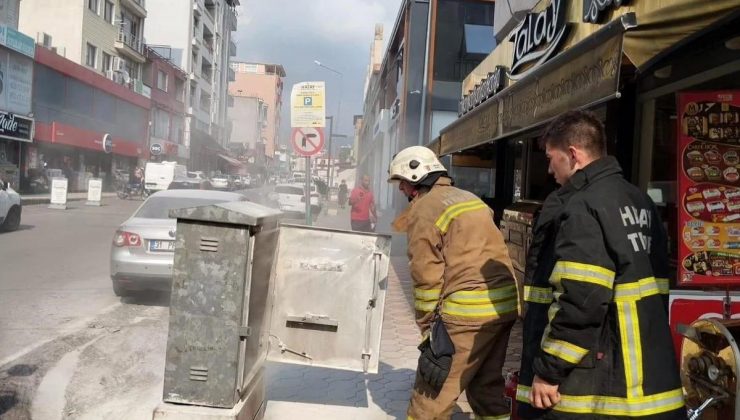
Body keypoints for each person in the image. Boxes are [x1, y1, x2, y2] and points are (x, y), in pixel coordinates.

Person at [518, 110, 684, 419]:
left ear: (573, 154)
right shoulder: (639, 200)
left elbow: (581, 300)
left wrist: (549, 369)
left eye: (551, 157)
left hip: (600, 378)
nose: (550, 169)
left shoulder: (582, 206)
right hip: (651, 376)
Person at [388, 146, 520, 420]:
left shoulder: (425, 209)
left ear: (416, 177)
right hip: (504, 307)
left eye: (402, 182)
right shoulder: (469, 198)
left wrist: (429, 332)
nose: (400, 189)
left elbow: (426, 276)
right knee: (485, 389)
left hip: (465, 315)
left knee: (430, 398)